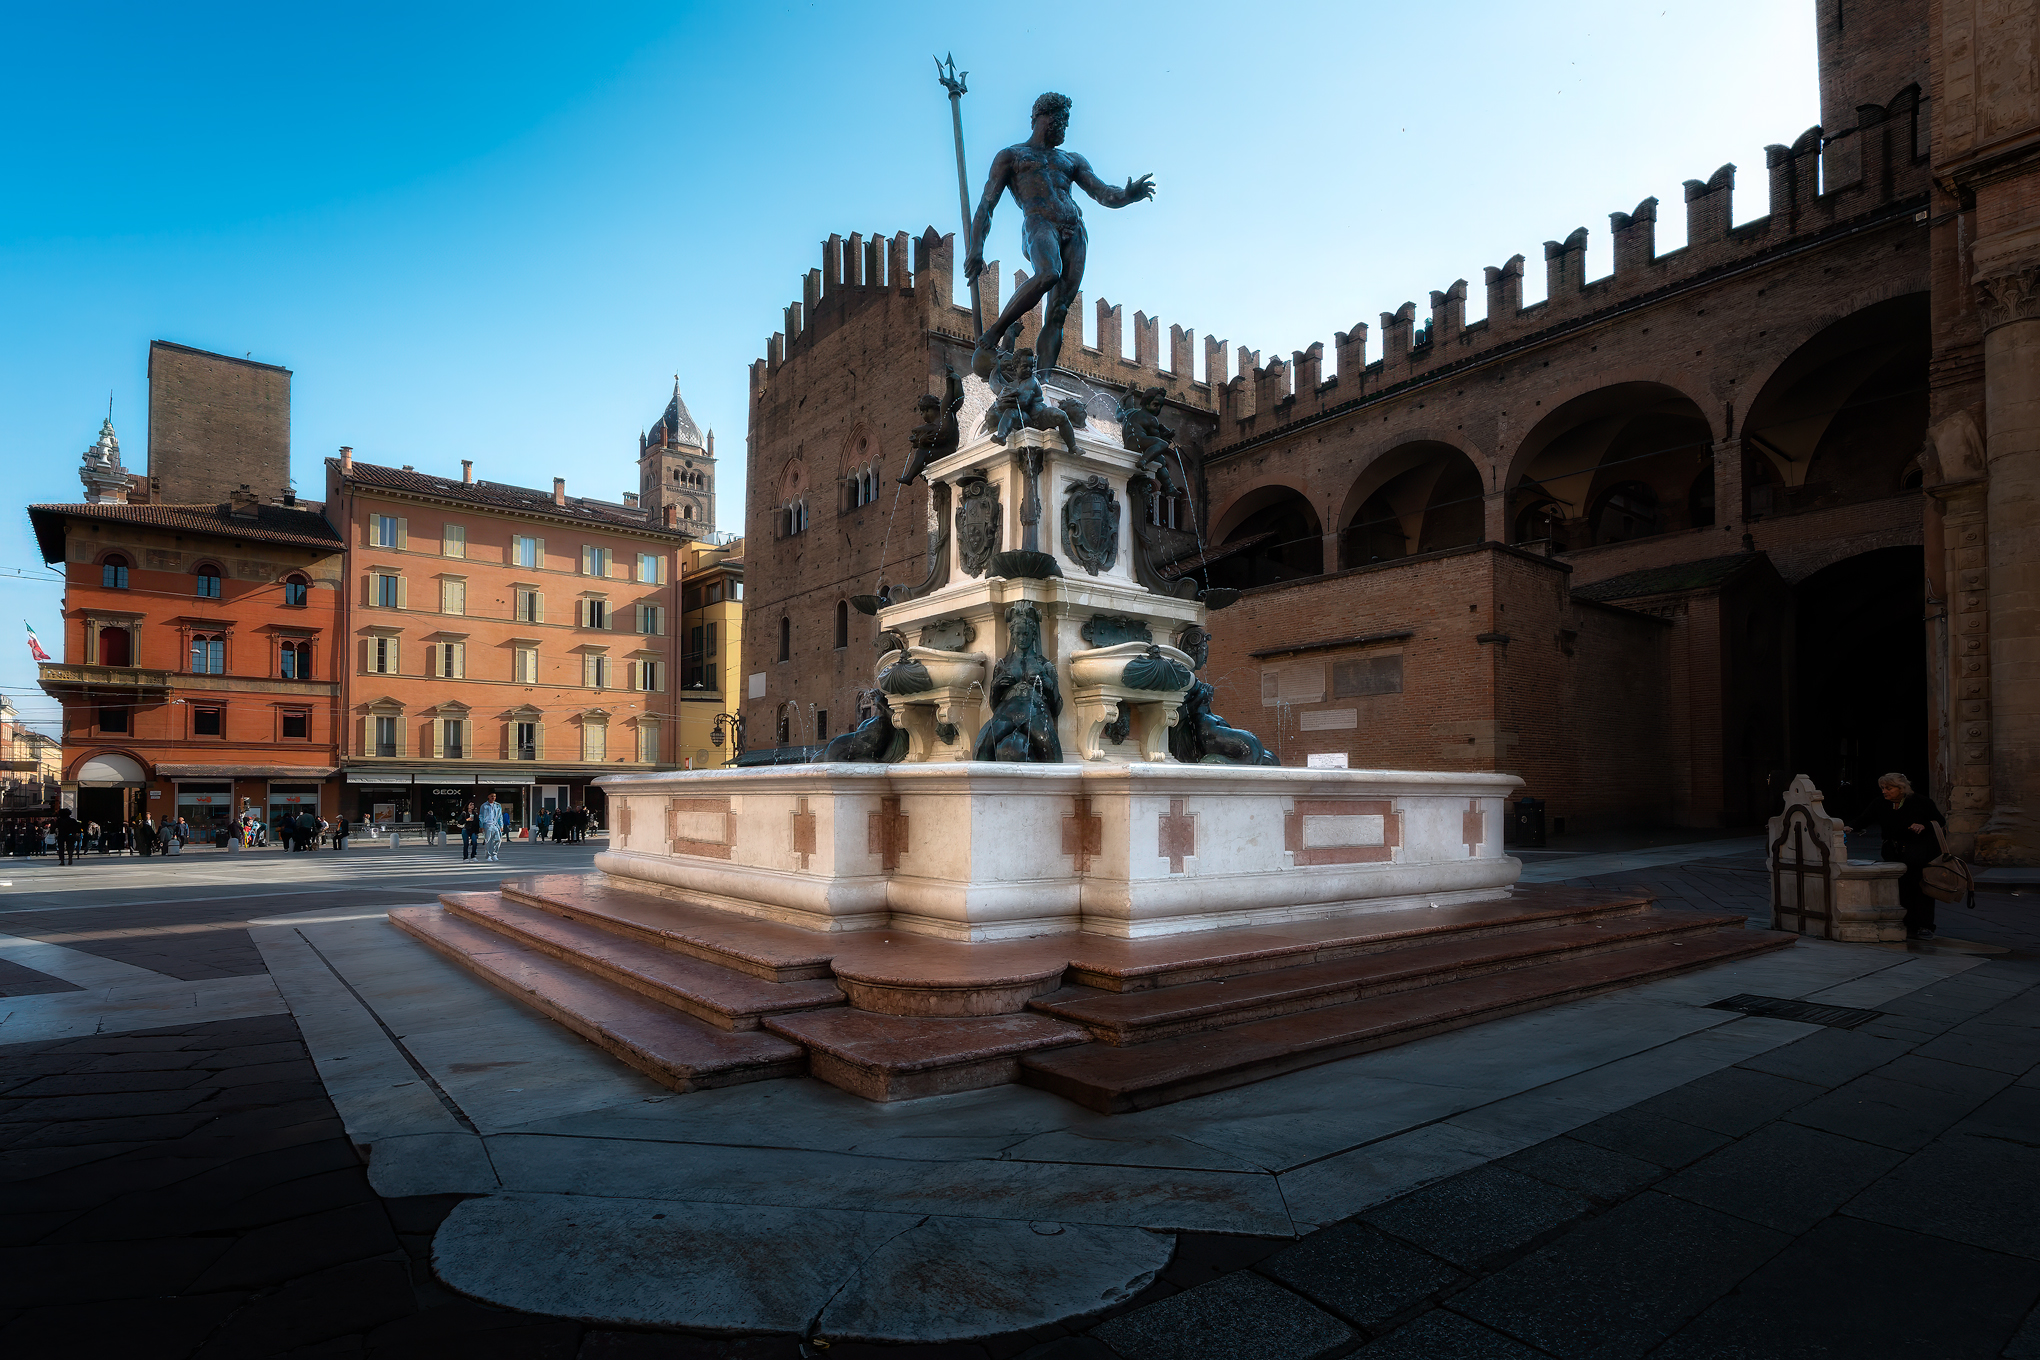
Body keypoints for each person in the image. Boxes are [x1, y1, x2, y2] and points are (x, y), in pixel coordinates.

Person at [963, 91, 1156, 379]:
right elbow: (986, 206)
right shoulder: (1012, 156)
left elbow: (1103, 193)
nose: (1066, 127)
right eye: (1063, 120)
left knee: (1059, 310)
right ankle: (996, 331)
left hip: (1075, 230)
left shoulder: (1072, 160)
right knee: (1048, 273)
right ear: (1044, 118)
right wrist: (976, 249)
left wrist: (1128, 195)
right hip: (1039, 224)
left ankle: (1042, 382)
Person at [1844, 772, 1946, 940]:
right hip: (1894, 851)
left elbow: (1939, 821)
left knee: (1921, 888)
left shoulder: (1921, 802)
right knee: (1902, 888)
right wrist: (1849, 827)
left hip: (1919, 851)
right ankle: (1908, 923)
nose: (1885, 792)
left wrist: (1923, 825)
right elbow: (1864, 818)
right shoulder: (1880, 803)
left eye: (1889, 788)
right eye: (1883, 788)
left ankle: (1925, 925)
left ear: (1901, 788)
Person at [478, 792, 505, 863]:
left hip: (495, 824)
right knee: (488, 841)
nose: (493, 798)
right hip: (487, 824)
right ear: (488, 796)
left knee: (498, 839)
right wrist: (481, 826)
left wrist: (501, 825)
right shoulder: (484, 806)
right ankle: (488, 856)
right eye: (492, 796)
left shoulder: (498, 805)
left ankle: (494, 854)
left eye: (494, 796)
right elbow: (481, 816)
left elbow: (500, 816)